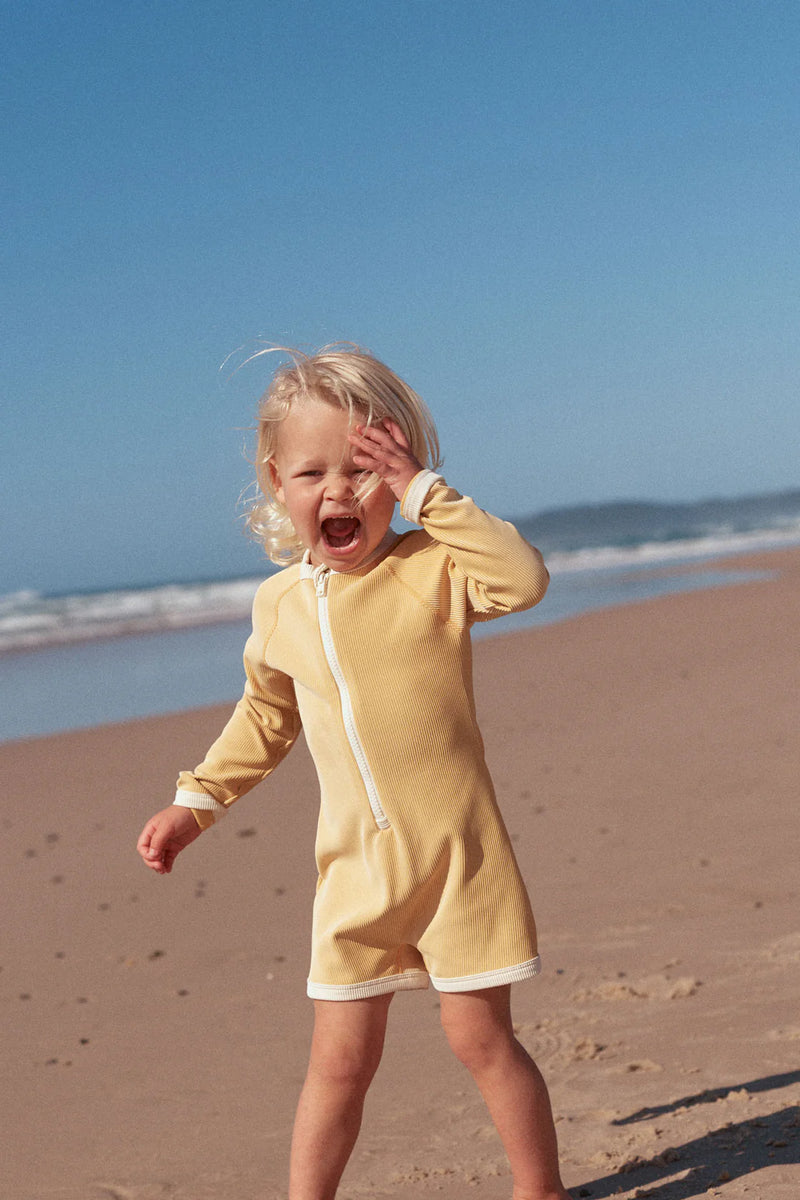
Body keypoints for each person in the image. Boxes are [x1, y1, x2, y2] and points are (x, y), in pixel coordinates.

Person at [137, 346, 571, 1200]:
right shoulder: (280, 607)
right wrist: (198, 801)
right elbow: (266, 717)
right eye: (311, 472)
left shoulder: (430, 569)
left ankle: (541, 1190)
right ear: (275, 481)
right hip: (353, 874)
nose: (338, 491)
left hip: (458, 860)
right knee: (338, 1061)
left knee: (479, 1040)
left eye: (365, 470)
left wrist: (425, 494)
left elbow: (522, 581)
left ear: (399, 474)